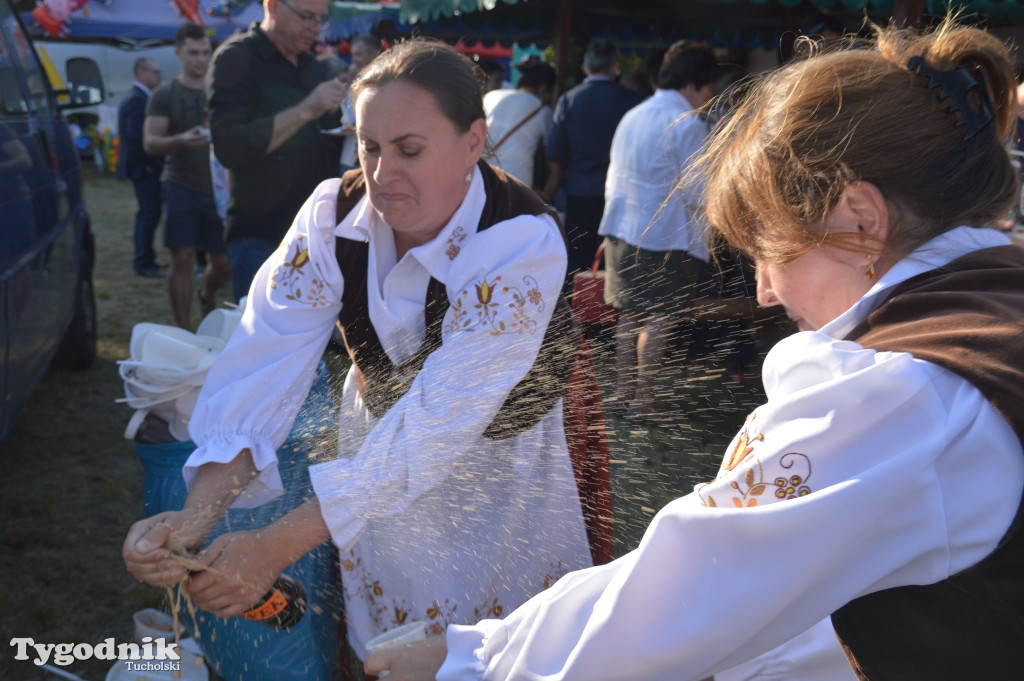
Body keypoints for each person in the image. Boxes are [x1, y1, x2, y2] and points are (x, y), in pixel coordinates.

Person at [363, 17, 1024, 681]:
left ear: (860, 215)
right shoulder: (987, 310)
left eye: (768, 246)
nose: (764, 290)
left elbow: (687, 587)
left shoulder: (904, 394)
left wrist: (474, 659)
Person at [122, 39, 610, 667]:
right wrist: (194, 517)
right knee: (390, 634)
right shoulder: (331, 216)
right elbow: (260, 368)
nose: (382, 174)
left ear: (473, 142)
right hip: (375, 447)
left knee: (492, 645)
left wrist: (272, 545)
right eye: (368, 146)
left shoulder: (518, 240)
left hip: (497, 465)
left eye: (410, 150)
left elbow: (438, 424)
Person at [598, 41, 716, 424]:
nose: (709, 96)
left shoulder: (634, 114)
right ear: (696, 84)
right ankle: (643, 401)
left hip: (621, 227)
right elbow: (699, 192)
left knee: (628, 315)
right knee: (660, 318)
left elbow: (614, 176)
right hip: (665, 235)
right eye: (709, 87)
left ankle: (621, 392)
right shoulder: (687, 123)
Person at [206, 0, 347, 302]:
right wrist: (307, 108)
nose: (315, 28)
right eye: (307, 17)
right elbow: (230, 146)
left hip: (315, 233)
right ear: (272, 7)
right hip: (261, 234)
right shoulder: (236, 58)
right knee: (263, 339)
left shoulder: (311, 65)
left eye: (321, 19)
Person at [144, 23, 232, 330]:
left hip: (220, 190)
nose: (200, 59)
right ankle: (183, 331)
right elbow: (150, 142)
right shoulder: (166, 93)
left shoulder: (223, 91)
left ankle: (206, 292)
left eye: (205, 52)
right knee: (182, 258)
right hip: (181, 183)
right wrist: (182, 140)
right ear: (178, 53)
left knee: (222, 264)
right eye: (193, 53)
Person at [540, 39, 640, 278]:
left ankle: (577, 311)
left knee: (577, 261)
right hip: (622, 193)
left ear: (585, 68)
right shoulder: (631, 101)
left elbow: (555, 151)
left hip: (580, 191)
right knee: (617, 261)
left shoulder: (569, 100)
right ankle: (614, 312)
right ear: (615, 66)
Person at [117, 57, 165, 278]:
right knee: (149, 213)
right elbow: (137, 139)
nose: (160, 76)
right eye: (155, 72)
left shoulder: (138, 98)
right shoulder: (137, 100)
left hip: (144, 167)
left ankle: (147, 258)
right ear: (142, 73)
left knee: (149, 213)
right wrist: (149, 165)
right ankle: (143, 261)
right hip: (144, 168)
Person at [483, 61, 556, 188]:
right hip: (518, 180)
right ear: (544, 88)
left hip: (484, 174)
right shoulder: (543, 110)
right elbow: (551, 155)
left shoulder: (491, 96)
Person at [339, 34, 382, 171]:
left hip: (375, 156)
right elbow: (348, 116)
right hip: (349, 157)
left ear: (374, 54)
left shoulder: (387, 80)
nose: (354, 60)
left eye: (358, 55)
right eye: (352, 55)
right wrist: (350, 84)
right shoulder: (351, 79)